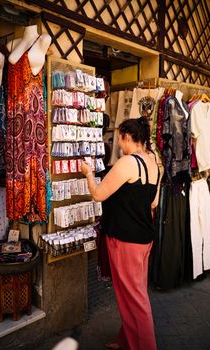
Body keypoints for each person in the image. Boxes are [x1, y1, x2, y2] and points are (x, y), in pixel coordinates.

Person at [81, 116, 160, 350]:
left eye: (120, 139)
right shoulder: (153, 162)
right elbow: (153, 203)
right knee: (133, 295)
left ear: (127, 137)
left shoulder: (127, 163)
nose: (119, 144)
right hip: (144, 238)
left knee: (135, 299)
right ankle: (127, 340)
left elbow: (98, 194)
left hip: (126, 240)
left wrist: (87, 173)